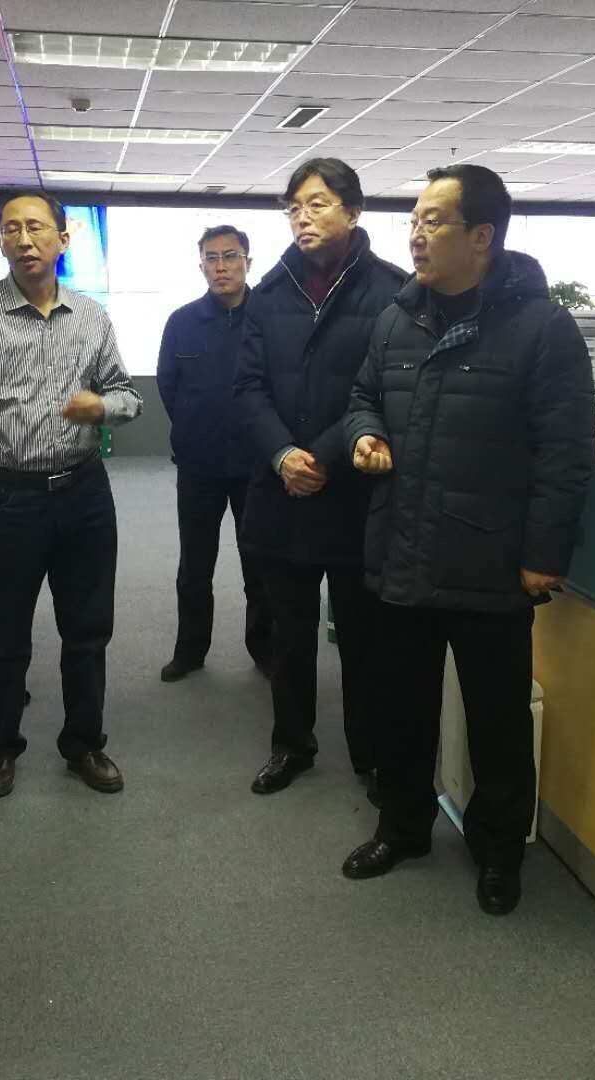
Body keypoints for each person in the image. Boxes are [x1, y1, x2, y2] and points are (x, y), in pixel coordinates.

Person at [338, 164, 595, 916]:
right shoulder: (397, 318)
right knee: (401, 707)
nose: (416, 235)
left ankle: (497, 849)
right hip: (403, 547)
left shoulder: (542, 328)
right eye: (413, 221)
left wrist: (544, 555)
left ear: (482, 236)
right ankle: (403, 827)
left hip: (490, 558)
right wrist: (364, 434)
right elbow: (362, 396)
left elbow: (565, 453)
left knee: (497, 720)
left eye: (433, 221)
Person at [0, 189, 142, 800]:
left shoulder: (92, 316)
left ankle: (84, 744)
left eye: (35, 227)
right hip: (8, 497)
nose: (23, 239)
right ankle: (0, 746)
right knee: (4, 638)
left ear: (63, 238)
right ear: (2, 241)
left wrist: (101, 407)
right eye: (11, 229)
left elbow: (128, 396)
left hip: (84, 495)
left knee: (88, 631)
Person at [232, 157, 406, 799]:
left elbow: (387, 393)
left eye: (317, 204)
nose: (302, 218)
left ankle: (371, 754)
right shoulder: (268, 292)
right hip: (283, 493)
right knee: (288, 633)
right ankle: (292, 745)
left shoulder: (393, 293)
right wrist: (283, 455)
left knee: (364, 637)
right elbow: (247, 388)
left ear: (353, 211)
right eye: (294, 208)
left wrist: (321, 456)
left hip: (355, 493)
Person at [155, 225, 273, 683]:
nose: (221, 266)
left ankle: (264, 649)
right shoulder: (182, 322)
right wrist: (194, 428)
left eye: (230, 256)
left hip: (257, 465)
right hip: (199, 465)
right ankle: (190, 651)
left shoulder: (269, 317)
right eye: (212, 258)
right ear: (201, 264)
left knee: (258, 563)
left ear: (248, 261)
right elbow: (169, 386)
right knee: (195, 566)